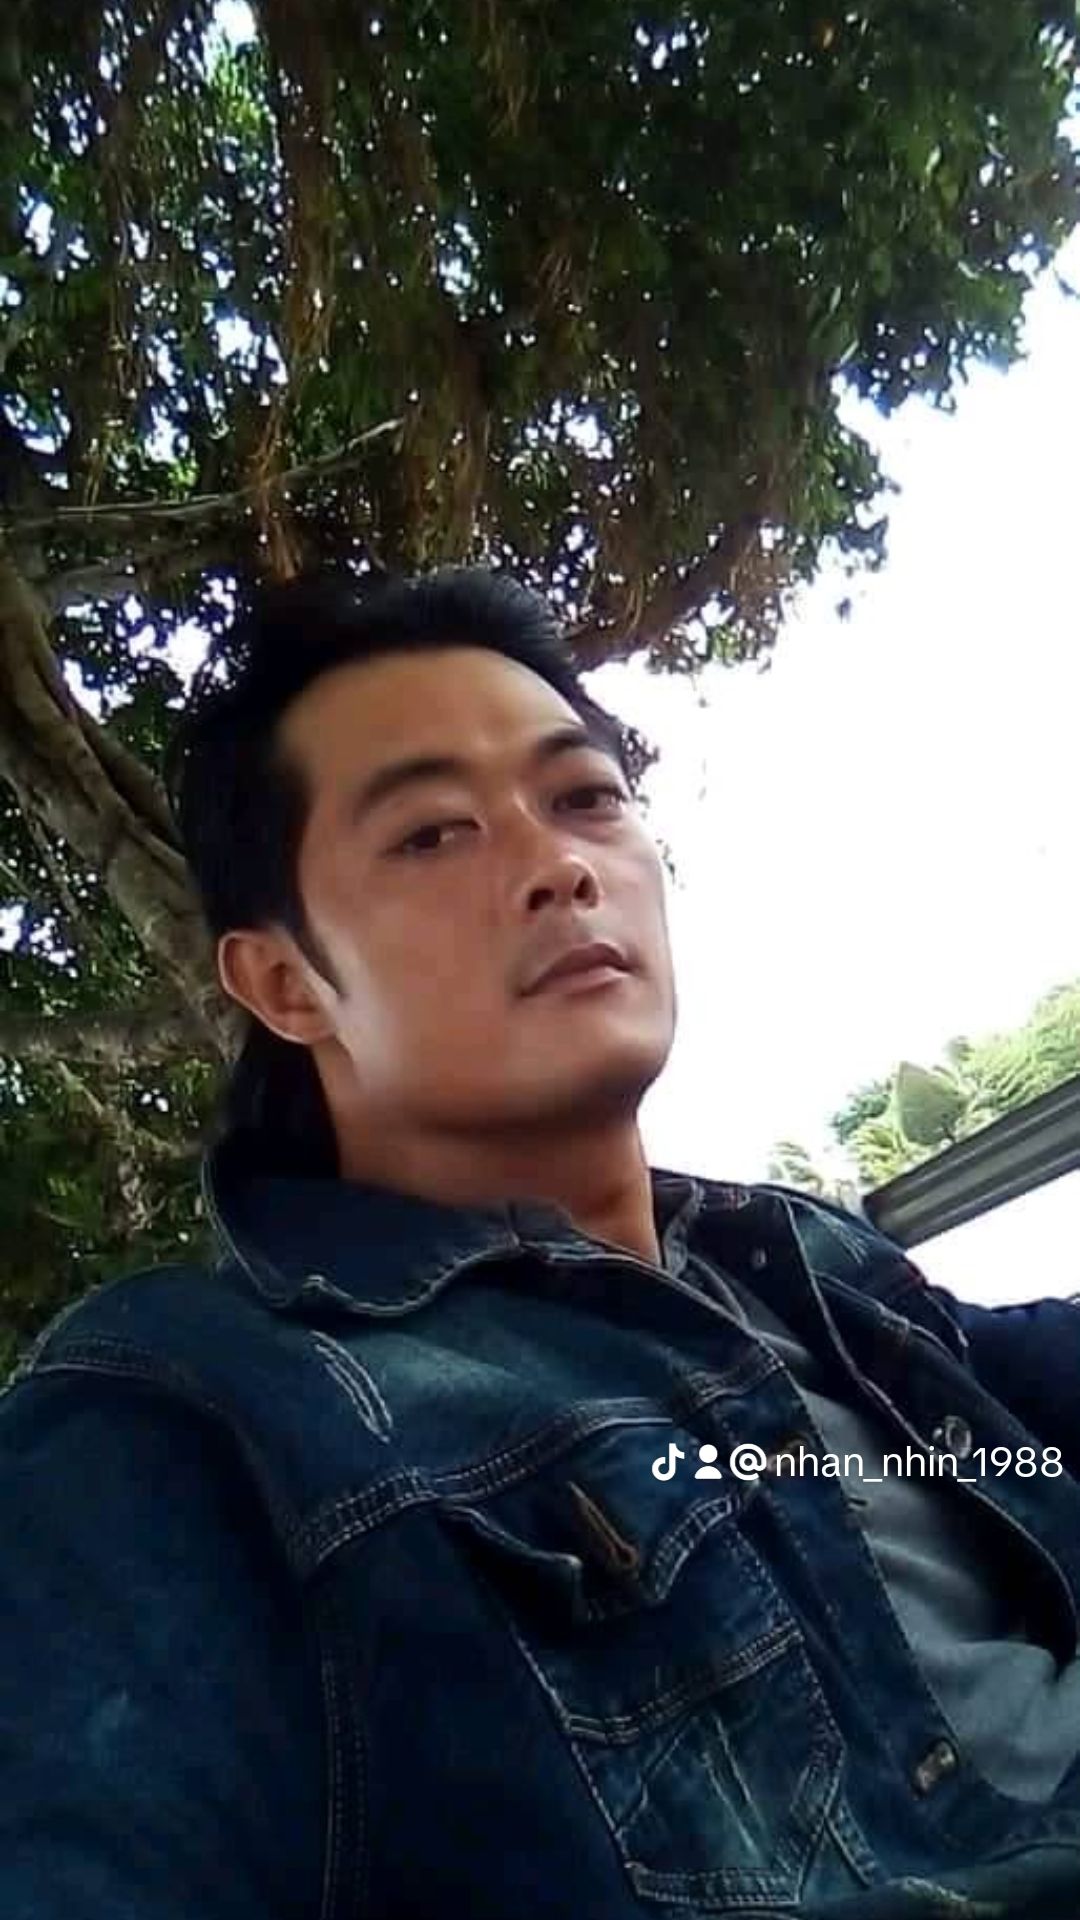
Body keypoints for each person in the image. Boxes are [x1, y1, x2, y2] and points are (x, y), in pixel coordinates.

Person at [2, 566, 1080, 1920]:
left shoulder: (799, 1256)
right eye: (432, 835)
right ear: (283, 980)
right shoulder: (192, 1406)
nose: (558, 866)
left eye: (586, 798)